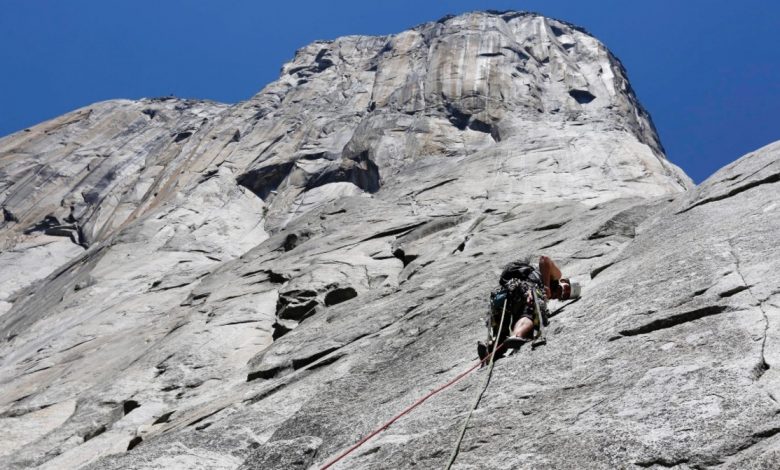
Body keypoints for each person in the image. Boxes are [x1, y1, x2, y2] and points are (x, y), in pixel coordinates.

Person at [478, 256, 580, 360]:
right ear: (563, 281)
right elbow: (544, 259)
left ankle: (491, 349)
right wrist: (546, 286)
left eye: (564, 296)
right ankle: (517, 335)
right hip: (527, 288)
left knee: (505, 326)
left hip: (508, 293)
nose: (560, 294)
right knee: (531, 311)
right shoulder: (556, 276)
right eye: (565, 289)